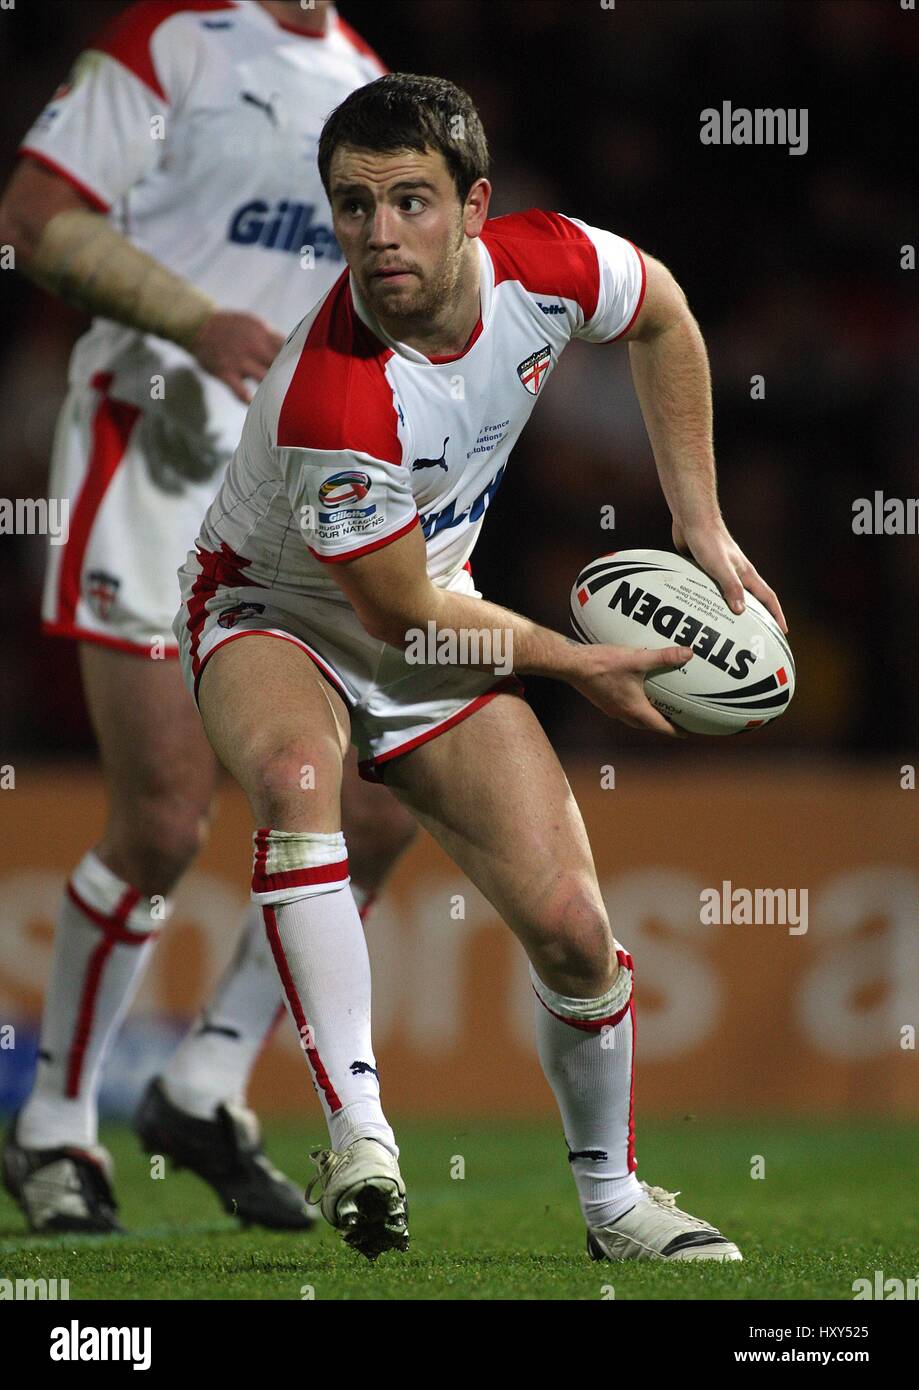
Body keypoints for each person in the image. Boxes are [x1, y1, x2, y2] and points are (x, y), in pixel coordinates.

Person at [172, 70, 789, 1262]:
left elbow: (662, 314)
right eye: (353, 206)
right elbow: (404, 618)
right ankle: (362, 1136)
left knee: (569, 924)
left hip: (430, 603)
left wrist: (700, 524)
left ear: (473, 206)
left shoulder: (549, 265)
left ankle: (612, 1204)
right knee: (302, 779)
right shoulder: (333, 400)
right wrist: (579, 665)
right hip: (271, 608)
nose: (379, 233)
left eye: (410, 200)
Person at [0, 0, 418, 1236]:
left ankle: (201, 1085)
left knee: (386, 803)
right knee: (167, 820)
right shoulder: (172, 39)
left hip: (297, 489)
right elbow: (33, 217)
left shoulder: (367, 78)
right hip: (151, 458)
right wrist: (195, 322)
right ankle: (56, 1125)